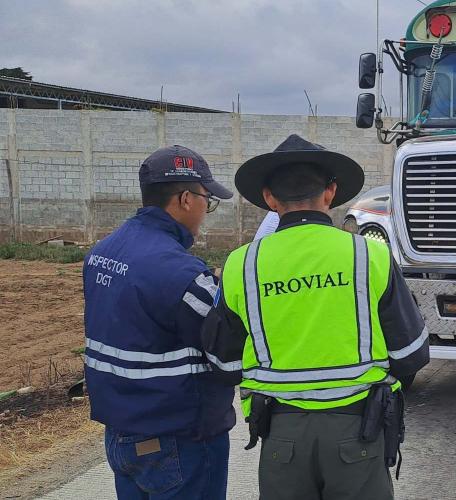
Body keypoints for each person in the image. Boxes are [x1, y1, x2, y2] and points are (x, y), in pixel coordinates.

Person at [202, 134, 430, 500]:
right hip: (359, 432)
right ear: (330, 193)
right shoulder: (369, 255)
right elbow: (412, 355)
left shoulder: (240, 265)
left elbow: (222, 364)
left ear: (269, 199)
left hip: (281, 438)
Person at [82, 145, 235, 499]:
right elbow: (228, 356)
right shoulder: (183, 275)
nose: (205, 211)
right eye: (206, 200)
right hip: (179, 442)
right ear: (184, 199)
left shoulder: (100, 254)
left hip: (121, 437)